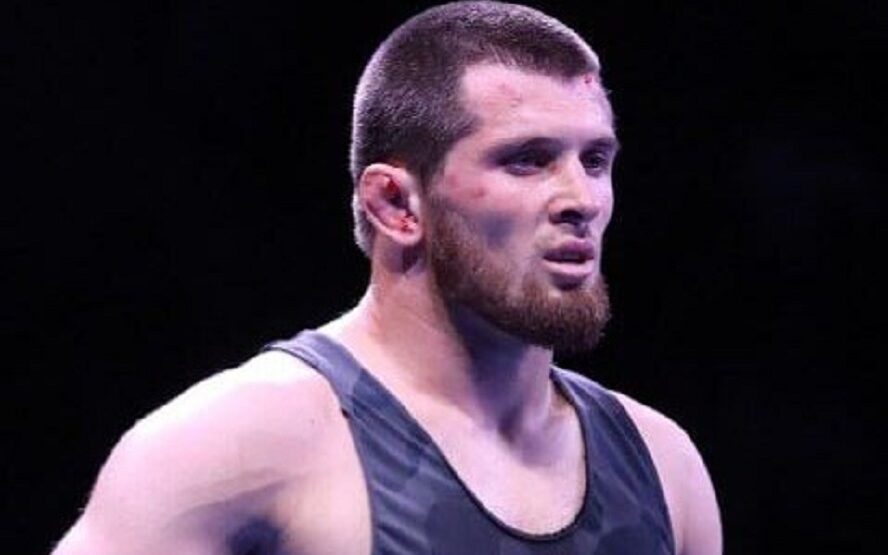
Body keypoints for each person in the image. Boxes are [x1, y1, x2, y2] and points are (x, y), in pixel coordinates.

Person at [52, 2, 722, 554]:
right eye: (527, 160)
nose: (582, 198)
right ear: (396, 204)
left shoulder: (665, 467)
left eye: (595, 160)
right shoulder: (236, 444)